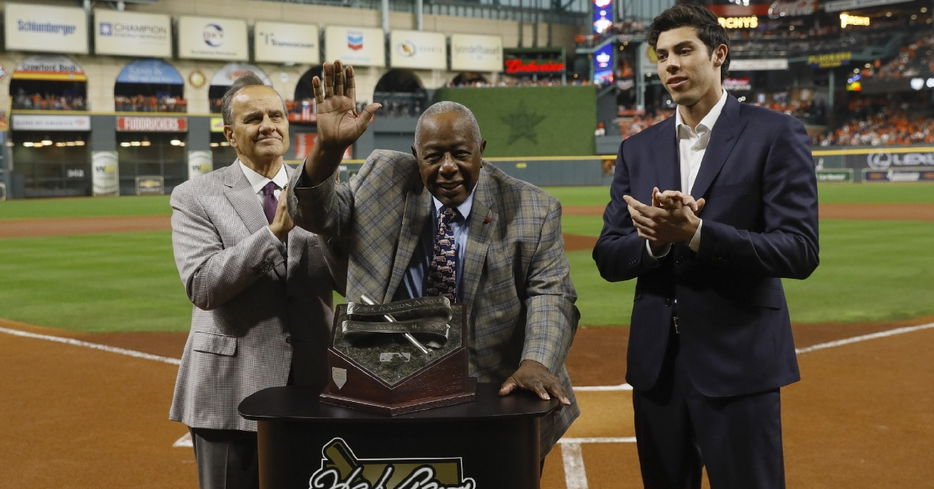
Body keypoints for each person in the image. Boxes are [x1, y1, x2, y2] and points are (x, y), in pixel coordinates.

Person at [287, 60, 579, 458]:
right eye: (433, 156)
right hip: (390, 382)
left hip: (493, 389)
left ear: (482, 152)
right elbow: (313, 215)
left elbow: (552, 294)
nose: (447, 168)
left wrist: (535, 361)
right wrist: (329, 148)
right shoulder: (383, 178)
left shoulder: (532, 208)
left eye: (460, 154)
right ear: (415, 154)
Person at [592, 4, 819, 489]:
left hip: (739, 366)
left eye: (684, 50)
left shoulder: (775, 134)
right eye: (662, 55)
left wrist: (695, 234)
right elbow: (608, 256)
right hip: (659, 370)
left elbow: (799, 250)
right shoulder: (639, 148)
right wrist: (654, 244)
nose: (671, 63)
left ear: (718, 54)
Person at [169, 73, 344, 489]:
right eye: (253, 118)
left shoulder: (321, 190)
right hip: (230, 391)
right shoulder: (196, 195)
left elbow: (350, 279)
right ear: (230, 134)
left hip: (311, 383)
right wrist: (273, 233)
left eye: (276, 115)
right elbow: (203, 285)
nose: (268, 124)